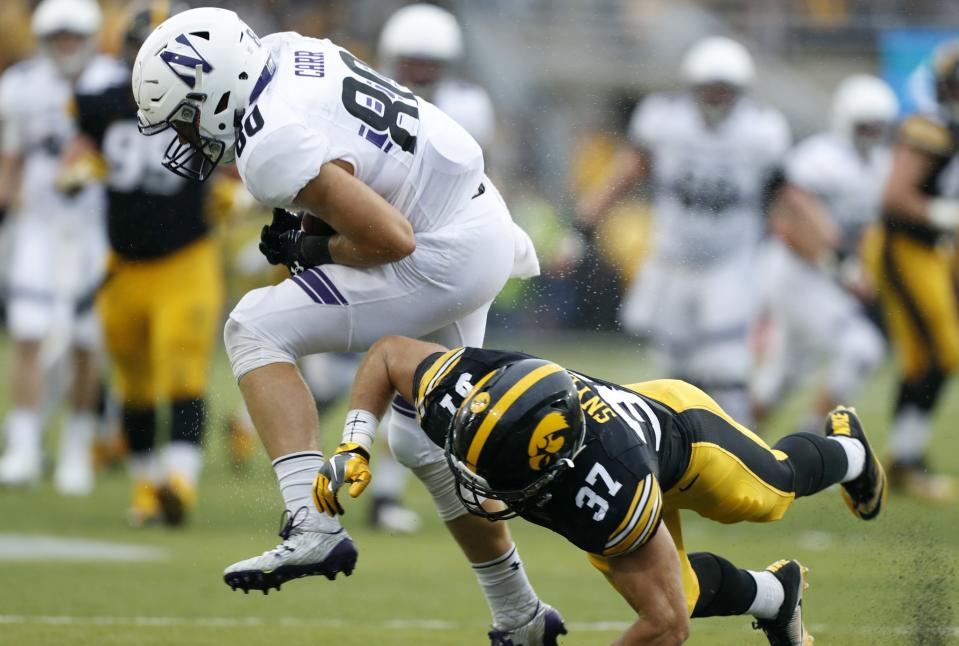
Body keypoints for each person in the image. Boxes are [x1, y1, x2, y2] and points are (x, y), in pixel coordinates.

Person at [132, 8, 561, 644]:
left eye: (186, 120)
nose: (187, 139)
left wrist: (310, 251)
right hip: (477, 217)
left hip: (442, 251)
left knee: (253, 327)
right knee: (424, 443)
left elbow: (392, 239)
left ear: (214, 92)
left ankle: (311, 523)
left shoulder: (267, 144)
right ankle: (521, 615)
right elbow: (366, 164)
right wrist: (311, 231)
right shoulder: (286, 52)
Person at [316, 334, 887, 646]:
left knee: (772, 491)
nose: (475, 479)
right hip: (610, 454)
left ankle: (853, 453)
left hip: (682, 439)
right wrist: (355, 444)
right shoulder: (462, 396)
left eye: (497, 473)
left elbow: (667, 628)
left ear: (547, 468)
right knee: (677, 593)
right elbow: (389, 354)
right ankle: (776, 596)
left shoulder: (605, 494)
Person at [577, 36, 790, 426]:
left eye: (724, 90)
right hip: (673, 260)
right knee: (672, 368)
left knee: (726, 366)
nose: (715, 98)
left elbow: (785, 198)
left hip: (731, 262)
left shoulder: (762, 132)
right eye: (709, 88)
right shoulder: (664, 121)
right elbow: (628, 170)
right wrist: (586, 219)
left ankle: (739, 449)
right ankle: (681, 449)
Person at [65, 2, 220, 525]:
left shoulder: (207, 98)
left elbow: (239, 160)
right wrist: (82, 166)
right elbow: (80, 147)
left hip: (185, 259)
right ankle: (147, 486)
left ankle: (180, 482)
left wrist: (233, 194)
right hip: (124, 265)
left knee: (181, 368)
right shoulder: (102, 102)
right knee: (132, 382)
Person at [0, 0, 122, 494]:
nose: (68, 46)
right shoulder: (21, 85)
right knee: (28, 335)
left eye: (75, 37)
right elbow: (8, 161)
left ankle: (77, 447)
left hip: (95, 225)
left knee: (86, 341)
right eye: (59, 38)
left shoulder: (116, 81)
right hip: (39, 226)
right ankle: (24, 446)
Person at [752, 74, 895, 431]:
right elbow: (786, 223)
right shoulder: (818, 157)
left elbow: (867, 233)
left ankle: (732, 442)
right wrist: (835, 261)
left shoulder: (881, 165)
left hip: (826, 280)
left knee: (782, 377)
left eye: (878, 127)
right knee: (862, 349)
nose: (872, 135)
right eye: (865, 126)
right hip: (797, 274)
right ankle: (812, 439)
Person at [863, 40, 959, 503]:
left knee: (928, 357)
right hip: (901, 245)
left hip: (929, 249)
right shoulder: (932, 126)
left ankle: (904, 459)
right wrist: (946, 215)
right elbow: (895, 196)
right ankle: (905, 459)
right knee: (945, 349)